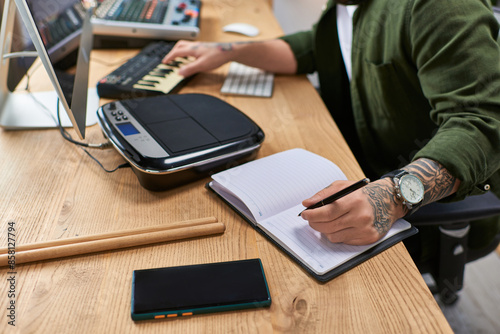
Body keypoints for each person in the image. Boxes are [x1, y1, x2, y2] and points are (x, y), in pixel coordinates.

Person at [162, 0, 500, 259]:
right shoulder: (346, 6)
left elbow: (482, 122)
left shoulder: (440, 6)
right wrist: (227, 51)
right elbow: (319, 44)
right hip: (360, 169)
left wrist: (394, 196)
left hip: (423, 207)